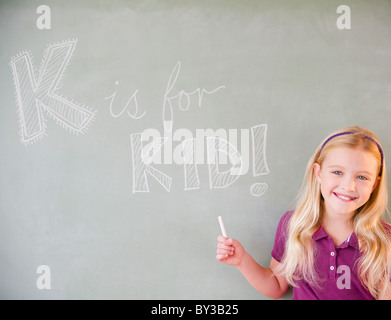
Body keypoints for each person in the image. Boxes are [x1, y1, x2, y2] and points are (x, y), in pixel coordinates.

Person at [216, 126, 391, 300]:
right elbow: (276, 287)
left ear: (374, 184)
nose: (348, 186)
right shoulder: (294, 225)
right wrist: (242, 260)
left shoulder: (385, 240)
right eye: (337, 172)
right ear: (318, 173)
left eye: (362, 177)